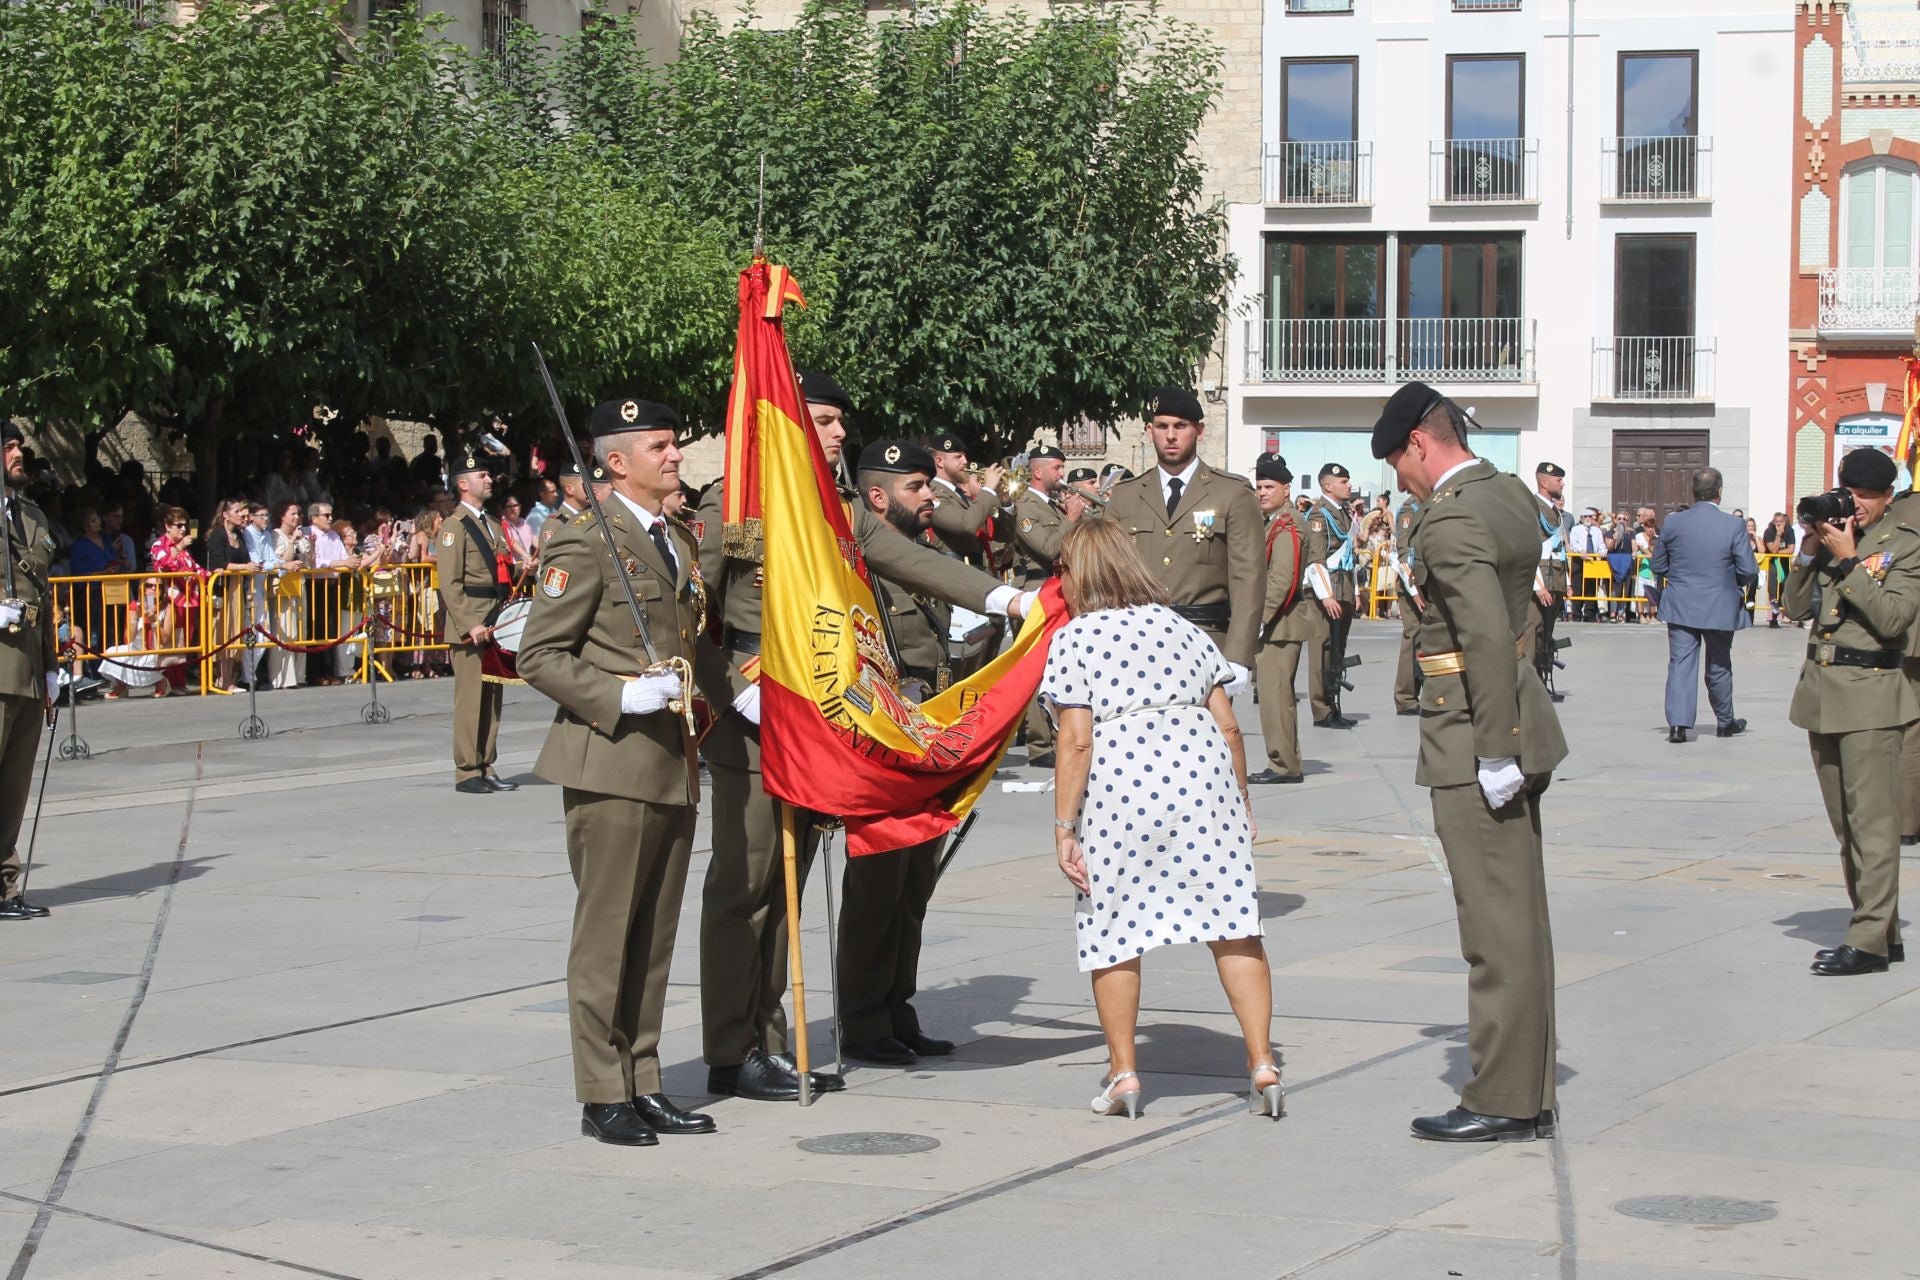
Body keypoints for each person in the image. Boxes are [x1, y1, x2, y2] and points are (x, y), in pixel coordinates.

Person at [694, 370, 1035, 1098]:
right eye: (822, 420)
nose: (839, 432)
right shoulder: (736, 501)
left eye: (839, 421)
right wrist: (733, 688)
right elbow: (690, 613)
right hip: (755, 718)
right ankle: (732, 1046)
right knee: (748, 889)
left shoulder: (838, 505)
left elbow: (912, 560)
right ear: (784, 426)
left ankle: (768, 1043)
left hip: (821, 719)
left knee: (787, 891)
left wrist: (1010, 599)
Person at [517, 396, 720, 1146]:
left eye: (674, 444)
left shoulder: (676, 540)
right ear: (616, 461)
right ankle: (603, 1092)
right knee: (606, 937)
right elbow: (539, 654)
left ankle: (643, 1077)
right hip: (611, 761)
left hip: (672, 760)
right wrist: (620, 694)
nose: (675, 456)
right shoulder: (584, 542)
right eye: (659, 446)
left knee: (654, 935)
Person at [1370, 382, 1567, 1142]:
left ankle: (1503, 1097)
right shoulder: (1508, 491)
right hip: (1512, 707)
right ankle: (1526, 1086)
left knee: (1492, 924)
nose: (1400, 481)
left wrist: (1493, 750)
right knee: (1518, 914)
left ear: (1419, 443)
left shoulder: (1450, 518)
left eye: (1398, 463)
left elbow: (1481, 636)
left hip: (1473, 727)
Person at [1043, 517, 1279, 1120]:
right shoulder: (1181, 627)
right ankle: (1262, 1063)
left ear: (1080, 573)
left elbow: (1075, 740)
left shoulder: (1074, 638)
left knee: (1113, 931)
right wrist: (1242, 800)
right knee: (1234, 923)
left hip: (1122, 786)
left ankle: (1124, 1073)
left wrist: (1065, 827)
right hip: (1203, 779)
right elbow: (1229, 725)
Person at [837, 440, 962, 1064]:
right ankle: (862, 1021)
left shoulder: (928, 556)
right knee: (877, 888)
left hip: (928, 740)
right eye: (916, 486)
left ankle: (896, 1007)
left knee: (914, 884)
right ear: (878, 497)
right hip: (882, 745)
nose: (930, 495)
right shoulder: (857, 566)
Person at [1782, 447, 1920, 976]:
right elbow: (1794, 608)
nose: (1855, 505)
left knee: (1874, 826)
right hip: (1823, 694)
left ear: (1888, 497)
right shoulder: (1833, 534)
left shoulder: (1903, 544)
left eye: (1865, 496)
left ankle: (1866, 941)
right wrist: (1809, 546)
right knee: (1846, 828)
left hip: (1872, 696)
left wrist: (1847, 560)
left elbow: (1893, 619)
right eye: (1849, 493)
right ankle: (1882, 932)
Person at [1101, 387, 1262, 699]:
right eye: (1162, 426)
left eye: (1180, 426)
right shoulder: (1125, 496)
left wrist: (1239, 656)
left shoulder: (1231, 493)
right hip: (1136, 642)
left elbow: (1248, 579)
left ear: (1199, 431)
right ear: (1149, 431)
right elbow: (1106, 574)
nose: (1171, 436)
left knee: (1206, 730)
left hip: (1205, 642)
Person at [1649, 468, 1756, 744]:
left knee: (1681, 663)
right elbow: (1748, 569)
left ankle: (1678, 725)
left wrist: (1681, 577)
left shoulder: (1673, 522)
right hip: (1720, 603)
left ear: (1693, 492)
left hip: (1682, 602)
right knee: (1719, 662)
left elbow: (1657, 565)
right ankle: (1724, 721)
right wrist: (1730, 581)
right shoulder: (1733, 525)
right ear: (1720, 492)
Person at [0, 421, 59, 921]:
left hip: (28, 669)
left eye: (19, 446)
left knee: (13, 787)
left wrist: (52, 669)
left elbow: (45, 596)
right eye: (8, 447)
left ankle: (4, 887)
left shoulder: (32, 517)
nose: (18, 454)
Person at [433, 442, 516, 795]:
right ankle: (467, 770)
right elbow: (450, 584)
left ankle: (486, 763)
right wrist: (471, 624)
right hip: (472, 624)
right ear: (463, 484)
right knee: (471, 699)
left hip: (495, 620)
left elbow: (499, 568)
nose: (489, 479)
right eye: (482, 475)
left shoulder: (492, 523)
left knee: (492, 697)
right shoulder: (454, 526)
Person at [1006, 445, 1075, 766]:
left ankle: (1057, 737)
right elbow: (1047, 548)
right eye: (1057, 468)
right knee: (1038, 668)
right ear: (1037, 472)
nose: (1062, 474)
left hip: (1059, 589)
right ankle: (1039, 744)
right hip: (1035, 591)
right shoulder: (1026, 507)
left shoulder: (1052, 505)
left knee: (1058, 666)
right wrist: (1071, 518)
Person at [1250, 452, 1309, 784]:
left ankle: (1283, 765)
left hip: (1280, 623)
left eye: (1269, 486)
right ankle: (1286, 760)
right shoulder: (1274, 520)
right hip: (1279, 621)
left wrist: (1261, 619)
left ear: (1286, 489)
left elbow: (1282, 579)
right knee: (1276, 696)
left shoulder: (1286, 524)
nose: (1262, 492)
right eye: (1259, 486)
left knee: (1275, 697)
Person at [1301, 463, 1358, 728]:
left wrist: (1354, 592)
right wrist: (1326, 596)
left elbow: (1348, 556)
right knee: (1322, 649)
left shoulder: (1343, 512)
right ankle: (1321, 710)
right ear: (1328, 486)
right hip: (1325, 593)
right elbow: (1316, 559)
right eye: (1343, 481)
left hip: (1342, 588)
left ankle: (1334, 706)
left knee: (1337, 650)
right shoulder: (1318, 514)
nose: (1349, 485)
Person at [1524, 463, 1574, 696]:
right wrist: (1537, 586)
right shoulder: (1532, 508)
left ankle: (1541, 683)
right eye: (1558, 480)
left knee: (1546, 634)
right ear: (1544, 482)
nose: (1562, 484)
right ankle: (1529, 687)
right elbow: (1530, 549)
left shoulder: (1555, 511)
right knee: (1533, 632)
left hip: (1556, 579)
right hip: (1542, 580)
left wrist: (1567, 582)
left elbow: (1559, 548)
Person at [927, 434, 1001, 572]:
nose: (965, 461)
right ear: (939, 461)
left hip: (977, 571)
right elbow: (966, 525)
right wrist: (988, 489)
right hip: (954, 572)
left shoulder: (959, 494)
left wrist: (1005, 502)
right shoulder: (932, 493)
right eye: (958, 457)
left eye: (964, 456)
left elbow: (1003, 536)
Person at [148, 507, 202, 692]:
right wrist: (178, 548)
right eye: (179, 525)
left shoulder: (184, 550)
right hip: (170, 600)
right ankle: (170, 682)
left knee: (183, 642)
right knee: (171, 641)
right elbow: (162, 564)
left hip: (188, 600)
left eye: (185, 525)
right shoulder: (159, 544)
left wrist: (214, 573)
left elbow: (195, 569)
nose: (183, 529)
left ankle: (180, 682)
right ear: (167, 526)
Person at [1392, 496, 1424, 714]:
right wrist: (1415, 591)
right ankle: (1406, 697)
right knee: (1413, 636)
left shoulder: (1433, 502)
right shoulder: (1409, 509)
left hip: (1429, 583)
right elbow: (1404, 555)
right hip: (1413, 585)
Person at [1761, 511, 1797, 628]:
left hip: (1785, 563)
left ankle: (1778, 616)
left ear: (1784, 522)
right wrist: (1778, 535)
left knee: (1783, 589)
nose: (1779, 524)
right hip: (1774, 562)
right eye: (1776, 522)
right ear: (1773, 522)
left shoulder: (1789, 530)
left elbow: (1791, 550)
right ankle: (1773, 618)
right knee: (1773, 589)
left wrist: (1778, 552)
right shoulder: (1769, 531)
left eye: (1781, 522)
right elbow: (1772, 550)